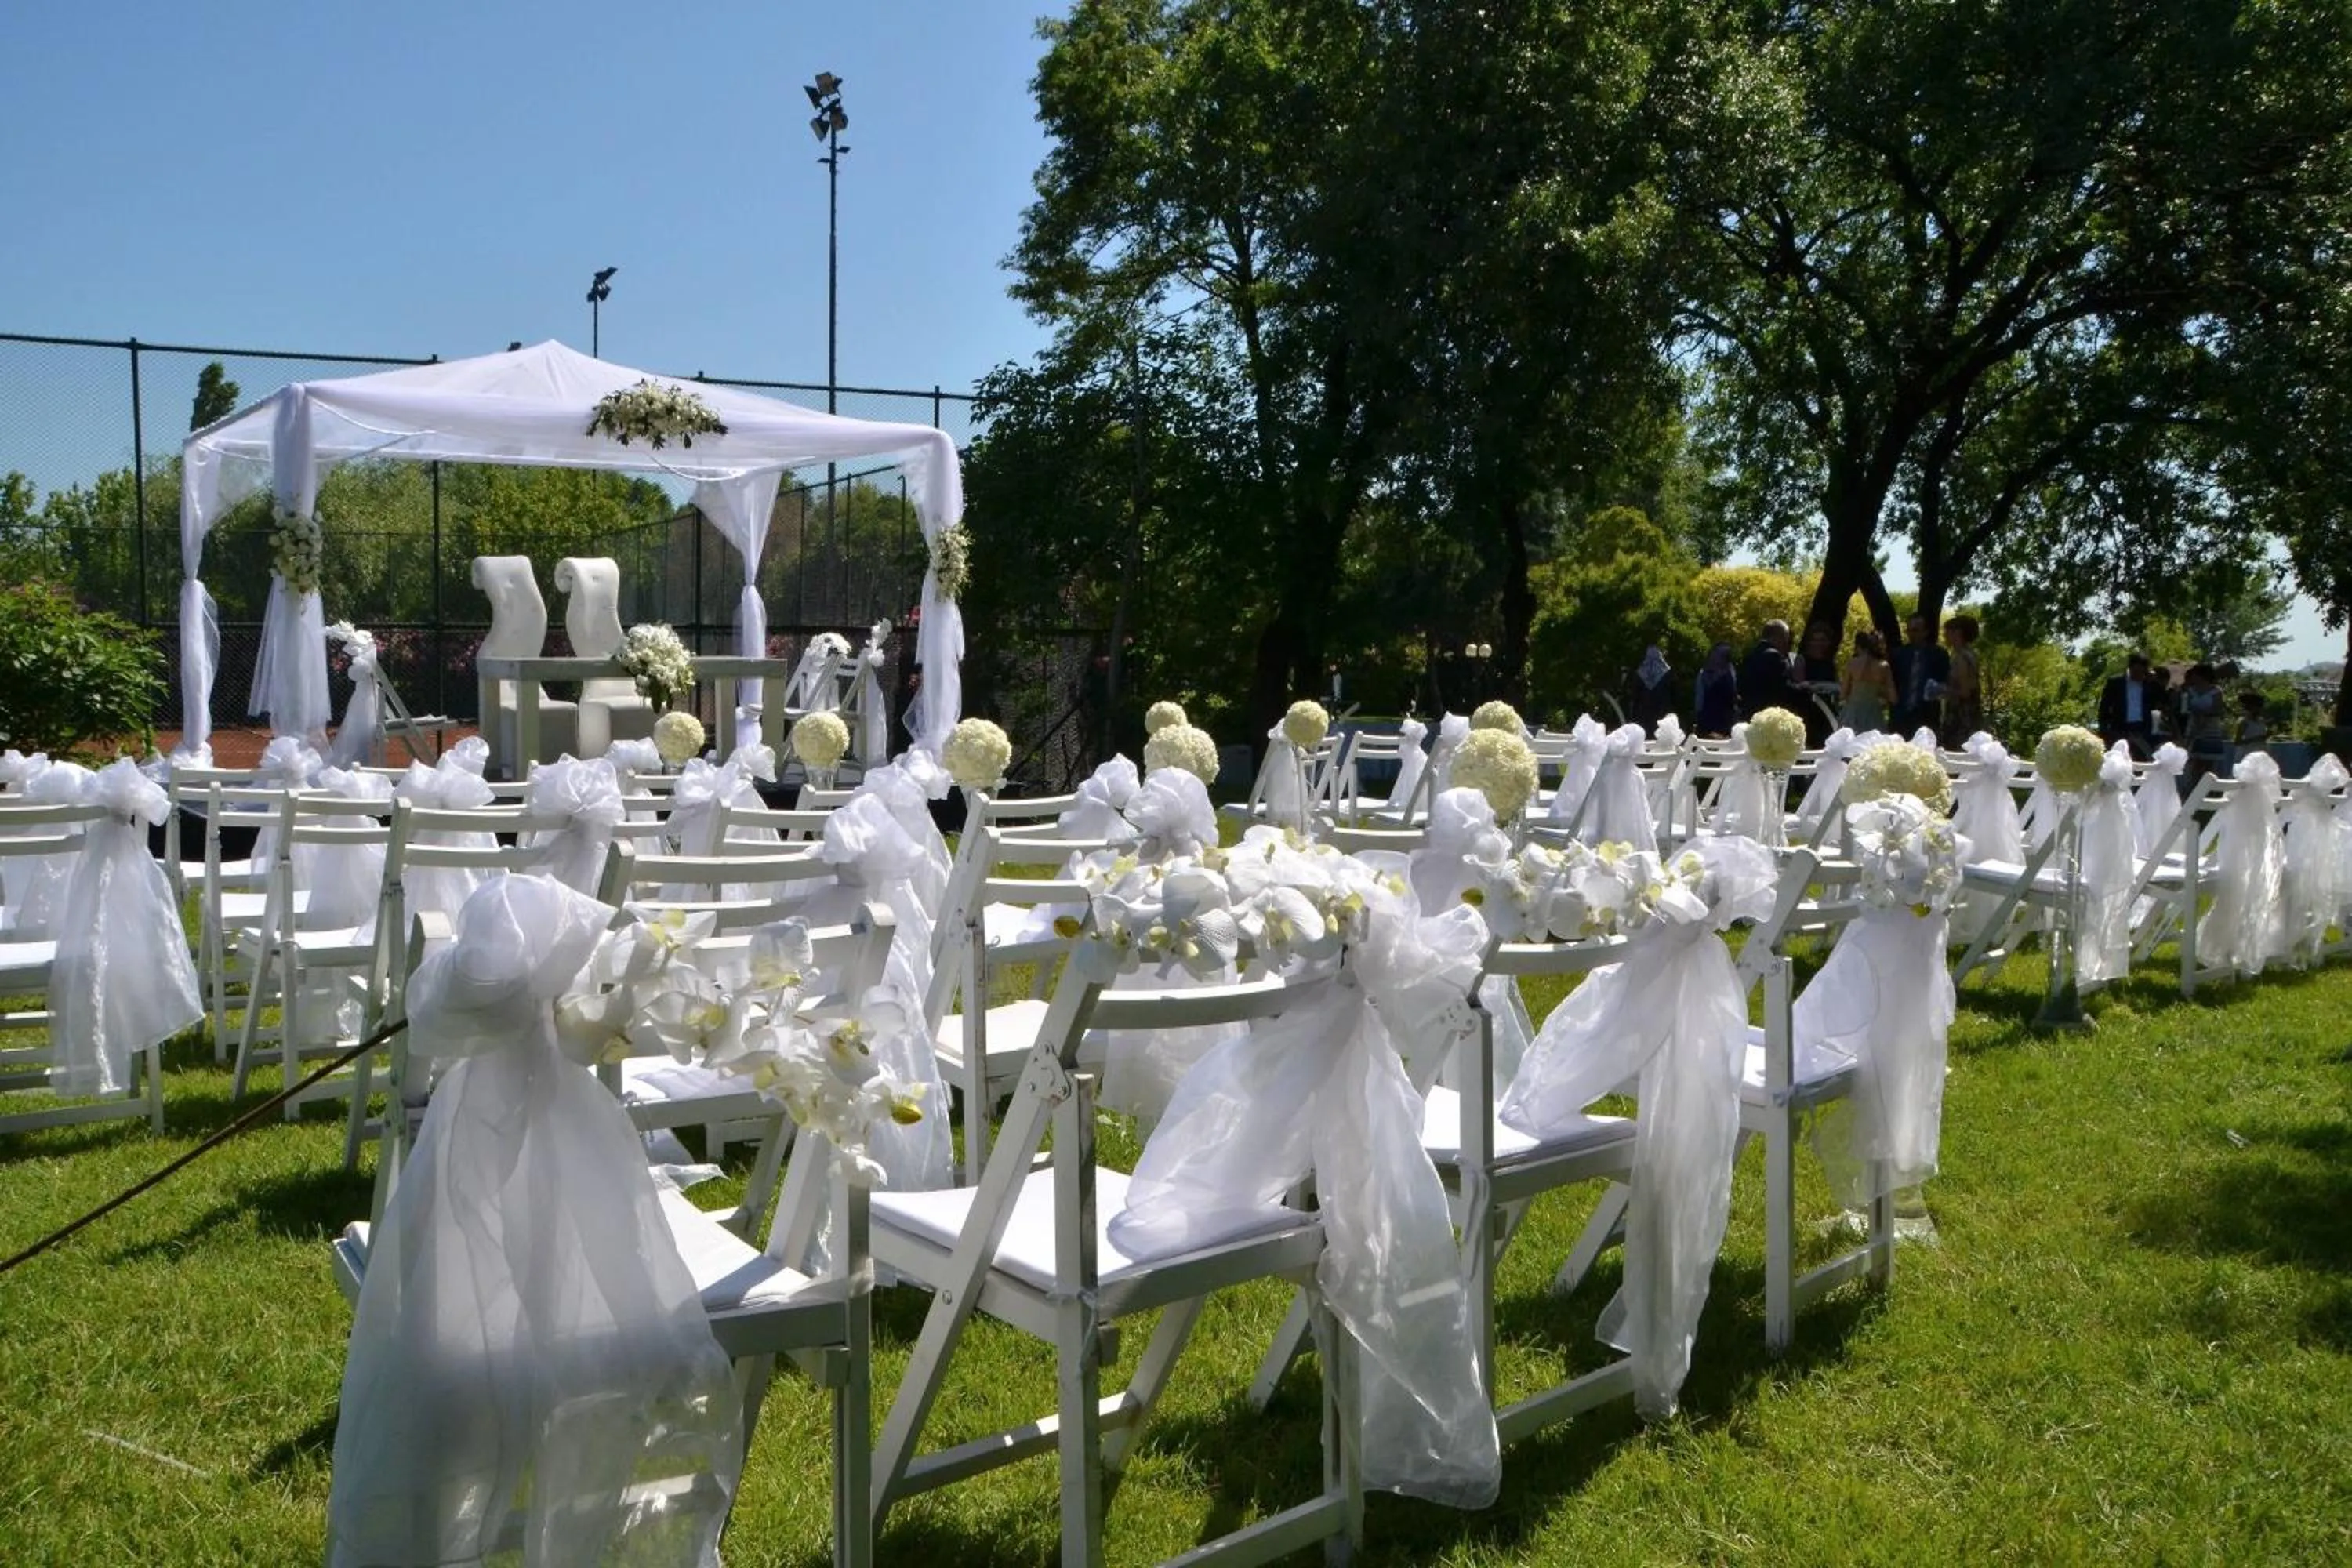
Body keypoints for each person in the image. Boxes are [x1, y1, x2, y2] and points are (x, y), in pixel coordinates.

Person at [1889, 612, 1951, 742]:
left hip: (1927, 715)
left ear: (1926, 632)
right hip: (1901, 715)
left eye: (1916, 630)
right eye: (1909, 630)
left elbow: (1946, 683)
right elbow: (1892, 683)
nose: (1912, 634)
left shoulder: (1939, 654)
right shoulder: (1898, 654)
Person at [2096, 652, 2161, 757]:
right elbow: (2104, 708)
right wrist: (2105, 730)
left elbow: (2163, 701)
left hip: (2142, 730)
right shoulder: (2115, 683)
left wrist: (2154, 682)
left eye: (2141, 672)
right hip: (2120, 729)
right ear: (2130, 668)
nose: (2138, 675)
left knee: (2142, 761)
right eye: (2136, 671)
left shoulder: (2149, 684)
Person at [2179, 662, 2229, 782]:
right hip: (2194, 729)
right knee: (2194, 763)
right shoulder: (2190, 691)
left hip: (2211, 730)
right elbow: (2186, 708)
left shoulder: (2216, 691)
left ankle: (2208, 790)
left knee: (2208, 765)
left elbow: (2217, 709)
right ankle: (2192, 789)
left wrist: (2204, 715)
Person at [1738, 619, 1795, 720]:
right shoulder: (1775, 657)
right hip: (1769, 716)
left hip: (1750, 714)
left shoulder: (1750, 656)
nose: (1786, 643)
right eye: (1785, 638)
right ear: (1778, 636)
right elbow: (1783, 690)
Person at [1838, 630, 1896, 732]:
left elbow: (1843, 694)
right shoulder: (1884, 666)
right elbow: (1893, 698)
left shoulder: (1853, 664)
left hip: (1852, 713)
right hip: (1874, 713)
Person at [1796, 622, 1841, 744]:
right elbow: (1798, 683)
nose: (1818, 644)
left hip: (1828, 708)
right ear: (1810, 641)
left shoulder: (1829, 662)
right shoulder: (1802, 659)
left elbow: (1836, 683)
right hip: (1809, 707)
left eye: (1822, 640)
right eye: (1815, 640)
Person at [1941, 613, 1984, 740]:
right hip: (1970, 713)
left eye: (1947, 632)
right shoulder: (1971, 654)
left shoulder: (1961, 658)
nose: (1944, 635)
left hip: (1961, 716)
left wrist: (1941, 689)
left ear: (1958, 633)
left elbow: (1965, 692)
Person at [1626, 643, 1675, 731]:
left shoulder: (1641, 671)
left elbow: (1636, 693)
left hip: (1644, 708)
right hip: (1662, 706)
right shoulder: (1666, 671)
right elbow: (1672, 691)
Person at [1694, 642, 1740, 738]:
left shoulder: (1730, 671)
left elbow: (1733, 694)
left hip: (1726, 721)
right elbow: (1699, 702)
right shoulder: (1704, 674)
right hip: (1708, 721)